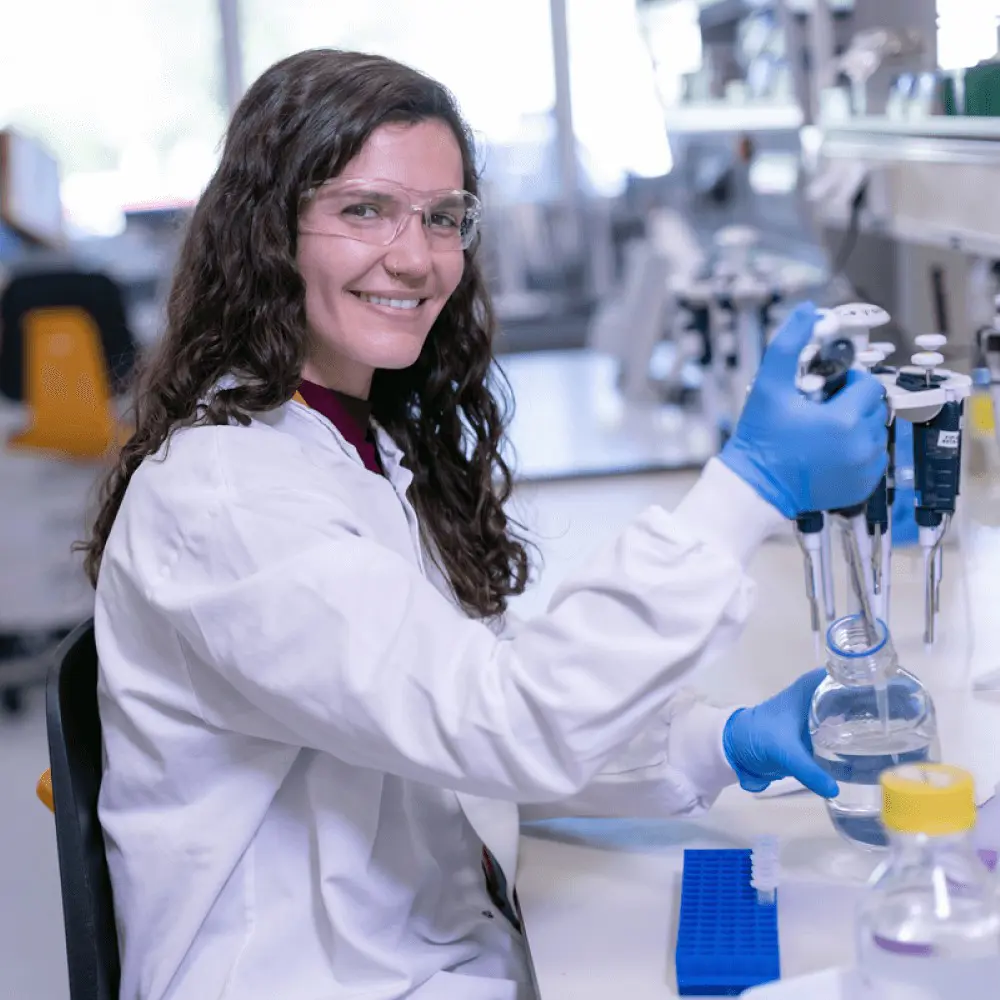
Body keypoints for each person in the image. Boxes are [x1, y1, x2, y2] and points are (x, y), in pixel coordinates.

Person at [83, 49, 888, 1000]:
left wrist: (721, 742)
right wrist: (747, 490)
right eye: (363, 209)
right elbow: (498, 725)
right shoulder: (226, 500)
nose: (417, 257)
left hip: (426, 952)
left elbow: (454, 728)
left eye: (442, 218)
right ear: (269, 231)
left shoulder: (357, 441)